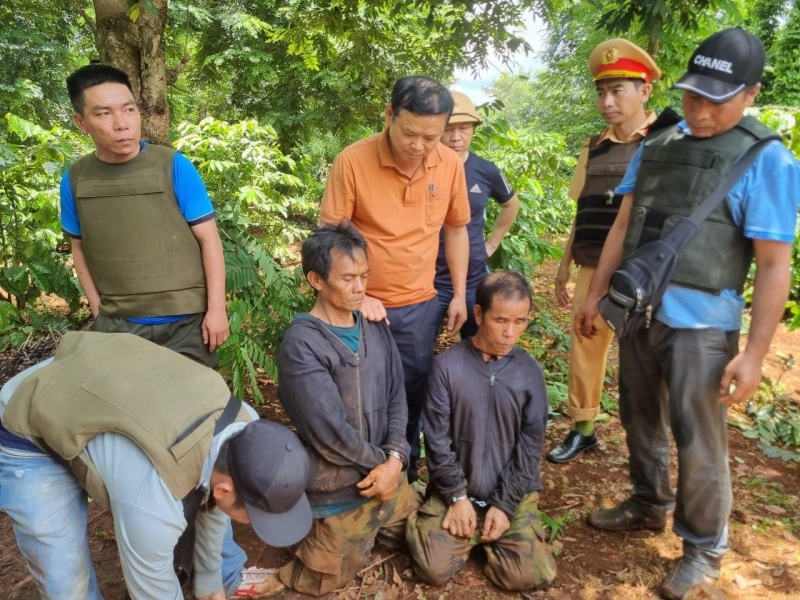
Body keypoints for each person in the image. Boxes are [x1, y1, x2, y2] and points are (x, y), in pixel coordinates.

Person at [573, 28, 800, 600]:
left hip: (703, 324)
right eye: (692, 95)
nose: (698, 110)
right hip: (639, 312)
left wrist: (753, 354)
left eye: (714, 99)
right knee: (637, 413)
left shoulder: (767, 159)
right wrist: (597, 294)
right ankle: (649, 501)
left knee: (698, 437)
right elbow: (625, 223)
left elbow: (775, 265)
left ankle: (702, 548)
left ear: (749, 94)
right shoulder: (659, 143)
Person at [0, 332, 312, 600]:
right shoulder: (151, 503)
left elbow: (213, 507)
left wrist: (210, 586)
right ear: (223, 489)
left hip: (100, 384)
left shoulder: (246, 427)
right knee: (67, 584)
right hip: (31, 416)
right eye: (256, 516)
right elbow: (153, 590)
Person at [321, 76, 471, 479]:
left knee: (411, 391)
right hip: (358, 306)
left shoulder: (450, 165)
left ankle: (403, 470)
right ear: (389, 115)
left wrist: (458, 293)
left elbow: (456, 230)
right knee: (358, 392)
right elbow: (332, 237)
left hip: (419, 304)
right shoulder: (352, 161)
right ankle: (356, 470)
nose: (419, 146)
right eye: (409, 133)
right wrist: (357, 295)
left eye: (432, 137)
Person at [273, 221, 420, 596]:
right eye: (348, 278)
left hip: (386, 471)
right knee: (323, 578)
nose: (360, 288)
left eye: (364, 276)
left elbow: (396, 395)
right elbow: (329, 432)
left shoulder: (373, 325)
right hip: (337, 486)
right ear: (316, 280)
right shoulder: (302, 344)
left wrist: (397, 458)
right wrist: (383, 465)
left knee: (429, 544)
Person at [60, 64, 228, 368]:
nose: (122, 124)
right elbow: (79, 249)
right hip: (119, 325)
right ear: (81, 122)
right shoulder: (74, 179)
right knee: (127, 412)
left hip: (187, 324)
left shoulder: (174, 165)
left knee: (195, 409)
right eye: (104, 114)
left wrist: (217, 310)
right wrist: (100, 313)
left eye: (129, 110)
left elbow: (210, 240)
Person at [548, 39, 661, 464]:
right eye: (601, 92)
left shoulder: (663, 143)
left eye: (618, 90)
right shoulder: (593, 146)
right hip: (592, 265)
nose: (607, 101)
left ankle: (650, 440)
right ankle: (584, 428)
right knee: (586, 344)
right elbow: (582, 209)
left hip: (645, 271)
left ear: (644, 91)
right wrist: (563, 265)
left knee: (647, 353)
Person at [406, 271, 556, 591]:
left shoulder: (530, 373)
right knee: (432, 569)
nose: (510, 333)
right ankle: (444, 519)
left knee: (532, 575)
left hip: (510, 491)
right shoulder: (448, 367)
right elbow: (436, 440)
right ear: (478, 313)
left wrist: (505, 505)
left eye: (520, 321)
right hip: (458, 489)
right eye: (500, 320)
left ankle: (491, 533)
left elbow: (529, 450)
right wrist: (457, 496)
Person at [434, 91, 520, 338]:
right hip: (429, 280)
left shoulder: (485, 170)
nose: (456, 138)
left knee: (478, 344)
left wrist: (492, 243)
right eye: (449, 129)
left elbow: (512, 205)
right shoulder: (423, 167)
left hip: (473, 278)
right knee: (418, 352)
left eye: (464, 129)